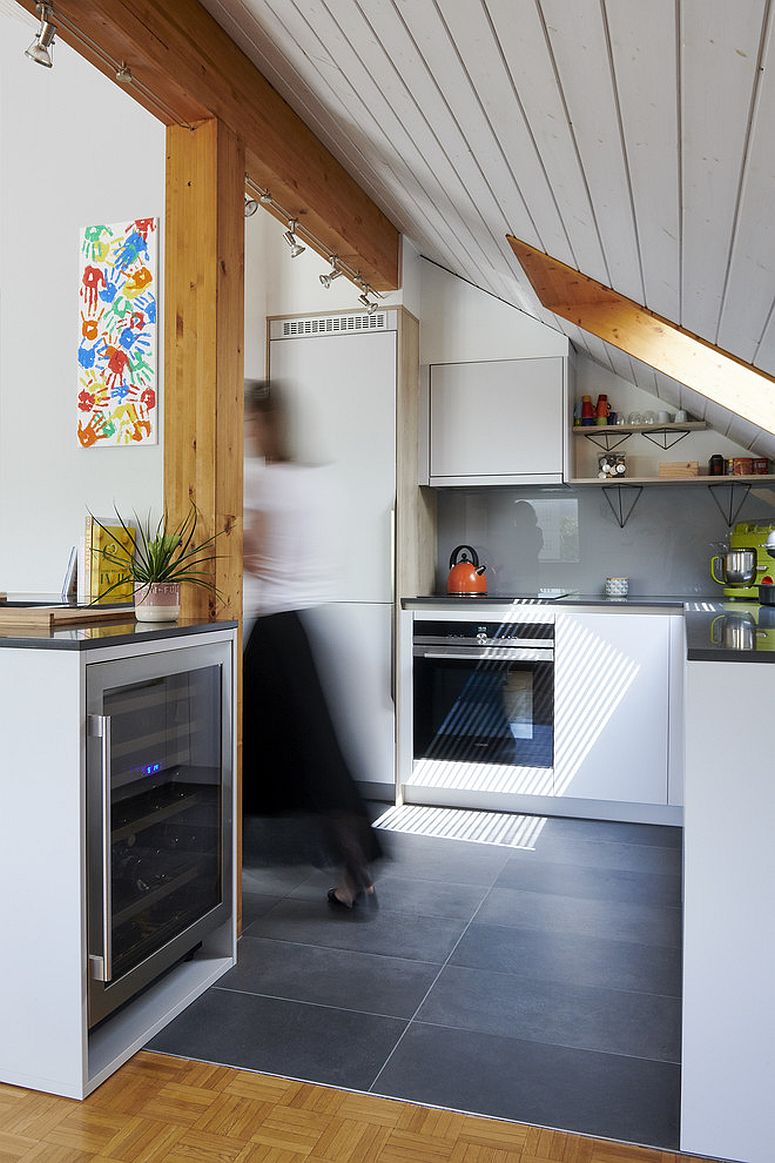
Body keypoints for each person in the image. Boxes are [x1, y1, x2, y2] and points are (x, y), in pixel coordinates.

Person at [242, 378, 382, 909]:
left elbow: (260, 559)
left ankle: (217, 882)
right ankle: (356, 875)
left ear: (265, 424)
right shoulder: (318, 481)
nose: (249, 433)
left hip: (275, 634)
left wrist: (226, 535)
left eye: (251, 423)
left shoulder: (270, 481)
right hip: (304, 629)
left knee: (257, 758)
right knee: (319, 763)